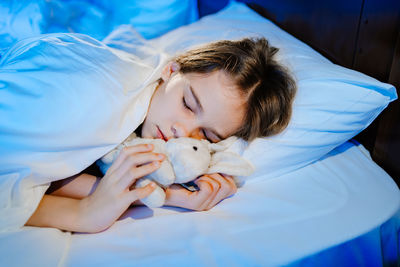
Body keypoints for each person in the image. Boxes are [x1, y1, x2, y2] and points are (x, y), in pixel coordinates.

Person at [25, 37, 296, 233]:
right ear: (171, 70)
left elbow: (53, 176)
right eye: (188, 104)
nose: (183, 131)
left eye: (207, 135)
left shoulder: (164, 146)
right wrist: (81, 214)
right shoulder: (106, 95)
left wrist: (173, 194)